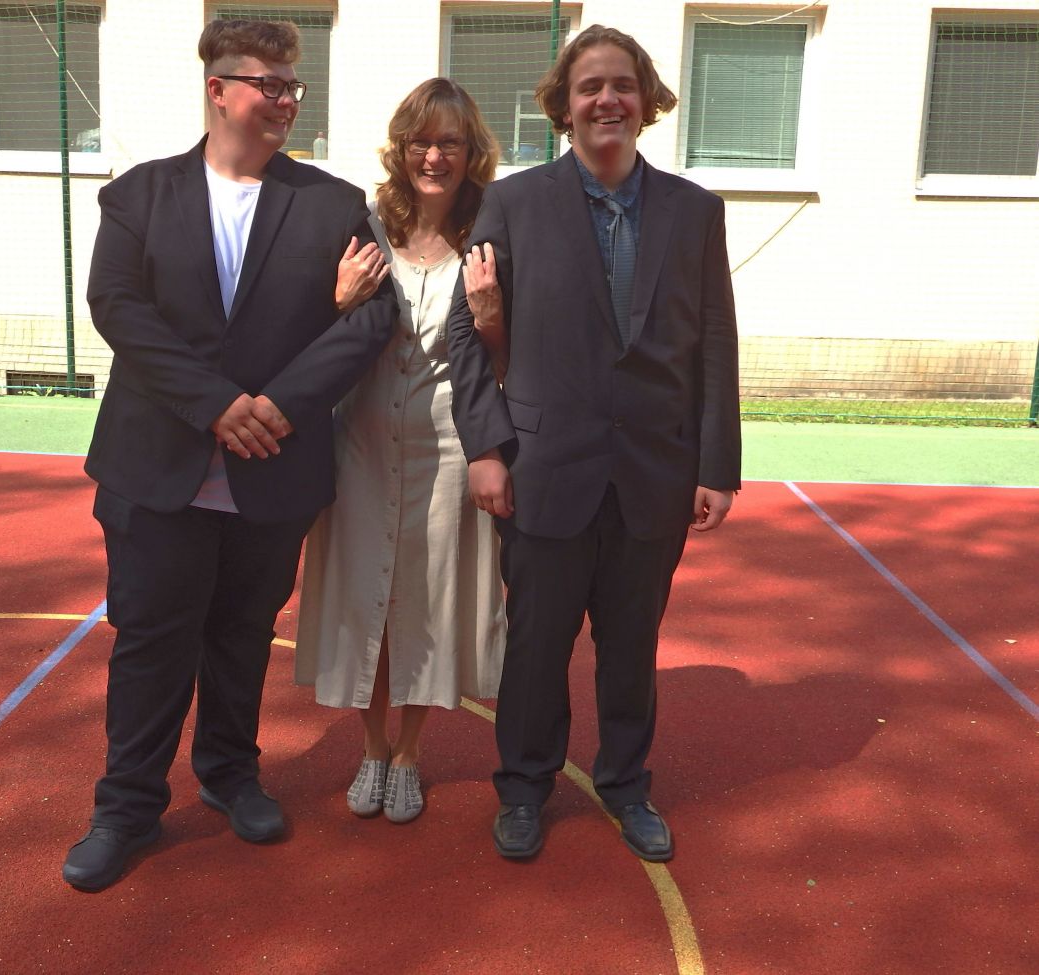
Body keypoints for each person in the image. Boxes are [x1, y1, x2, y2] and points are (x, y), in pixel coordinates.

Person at [63, 18, 397, 892]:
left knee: (243, 635)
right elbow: (117, 306)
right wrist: (215, 404)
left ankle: (229, 773)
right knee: (151, 643)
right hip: (156, 470)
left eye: (293, 87)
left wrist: (280, 405)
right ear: (219, 89)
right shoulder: (139, 196)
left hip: (274, 467)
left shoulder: (333, 205)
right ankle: (126, 807)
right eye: (269, 85)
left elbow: (373, 318)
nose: (286, 101)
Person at [446, 25, 741, 862]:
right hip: (543, 469)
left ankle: (626, 785)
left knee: (631, 649)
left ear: (646, 102)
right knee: (536, 648)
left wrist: (717, 464)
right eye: (589, 87)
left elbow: (715, 341)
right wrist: (486, 447)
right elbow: (466, 333)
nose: (607, 99)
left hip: (655, 471)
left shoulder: (695, 211)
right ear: (563, 105)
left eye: (622, 85)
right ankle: (523, 788)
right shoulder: (513, 203)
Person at [295, 79, 503, 824]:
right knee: (366, 600)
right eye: (421, 141)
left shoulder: (489, 235)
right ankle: (373, 746)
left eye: (450, 142)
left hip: (448, 445)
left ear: (471, 152)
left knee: (426, 603)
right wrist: (338, 301)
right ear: (401, 148)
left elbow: (508, 360)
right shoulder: (366, 226)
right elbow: (311, 333)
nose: (434, 156)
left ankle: (411, 751)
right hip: (360, 441)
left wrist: (491, 318)